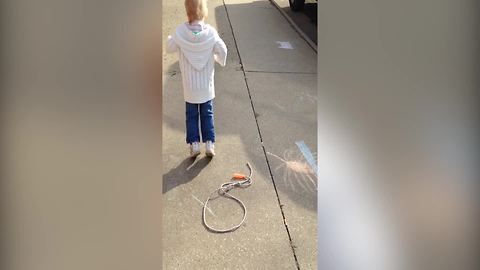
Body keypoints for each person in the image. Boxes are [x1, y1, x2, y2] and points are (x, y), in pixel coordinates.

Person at [166, 0, 227, 158]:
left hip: (190, 86)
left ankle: (194, 144)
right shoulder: (211, 33)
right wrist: (217, 58)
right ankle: (209, 144)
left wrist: (170, 37)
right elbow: (223, 50)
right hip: (206, 85)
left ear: (187, 12)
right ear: (205, 12)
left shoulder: (180, 33)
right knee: (207, 113)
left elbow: (169, 47)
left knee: (191, 115)